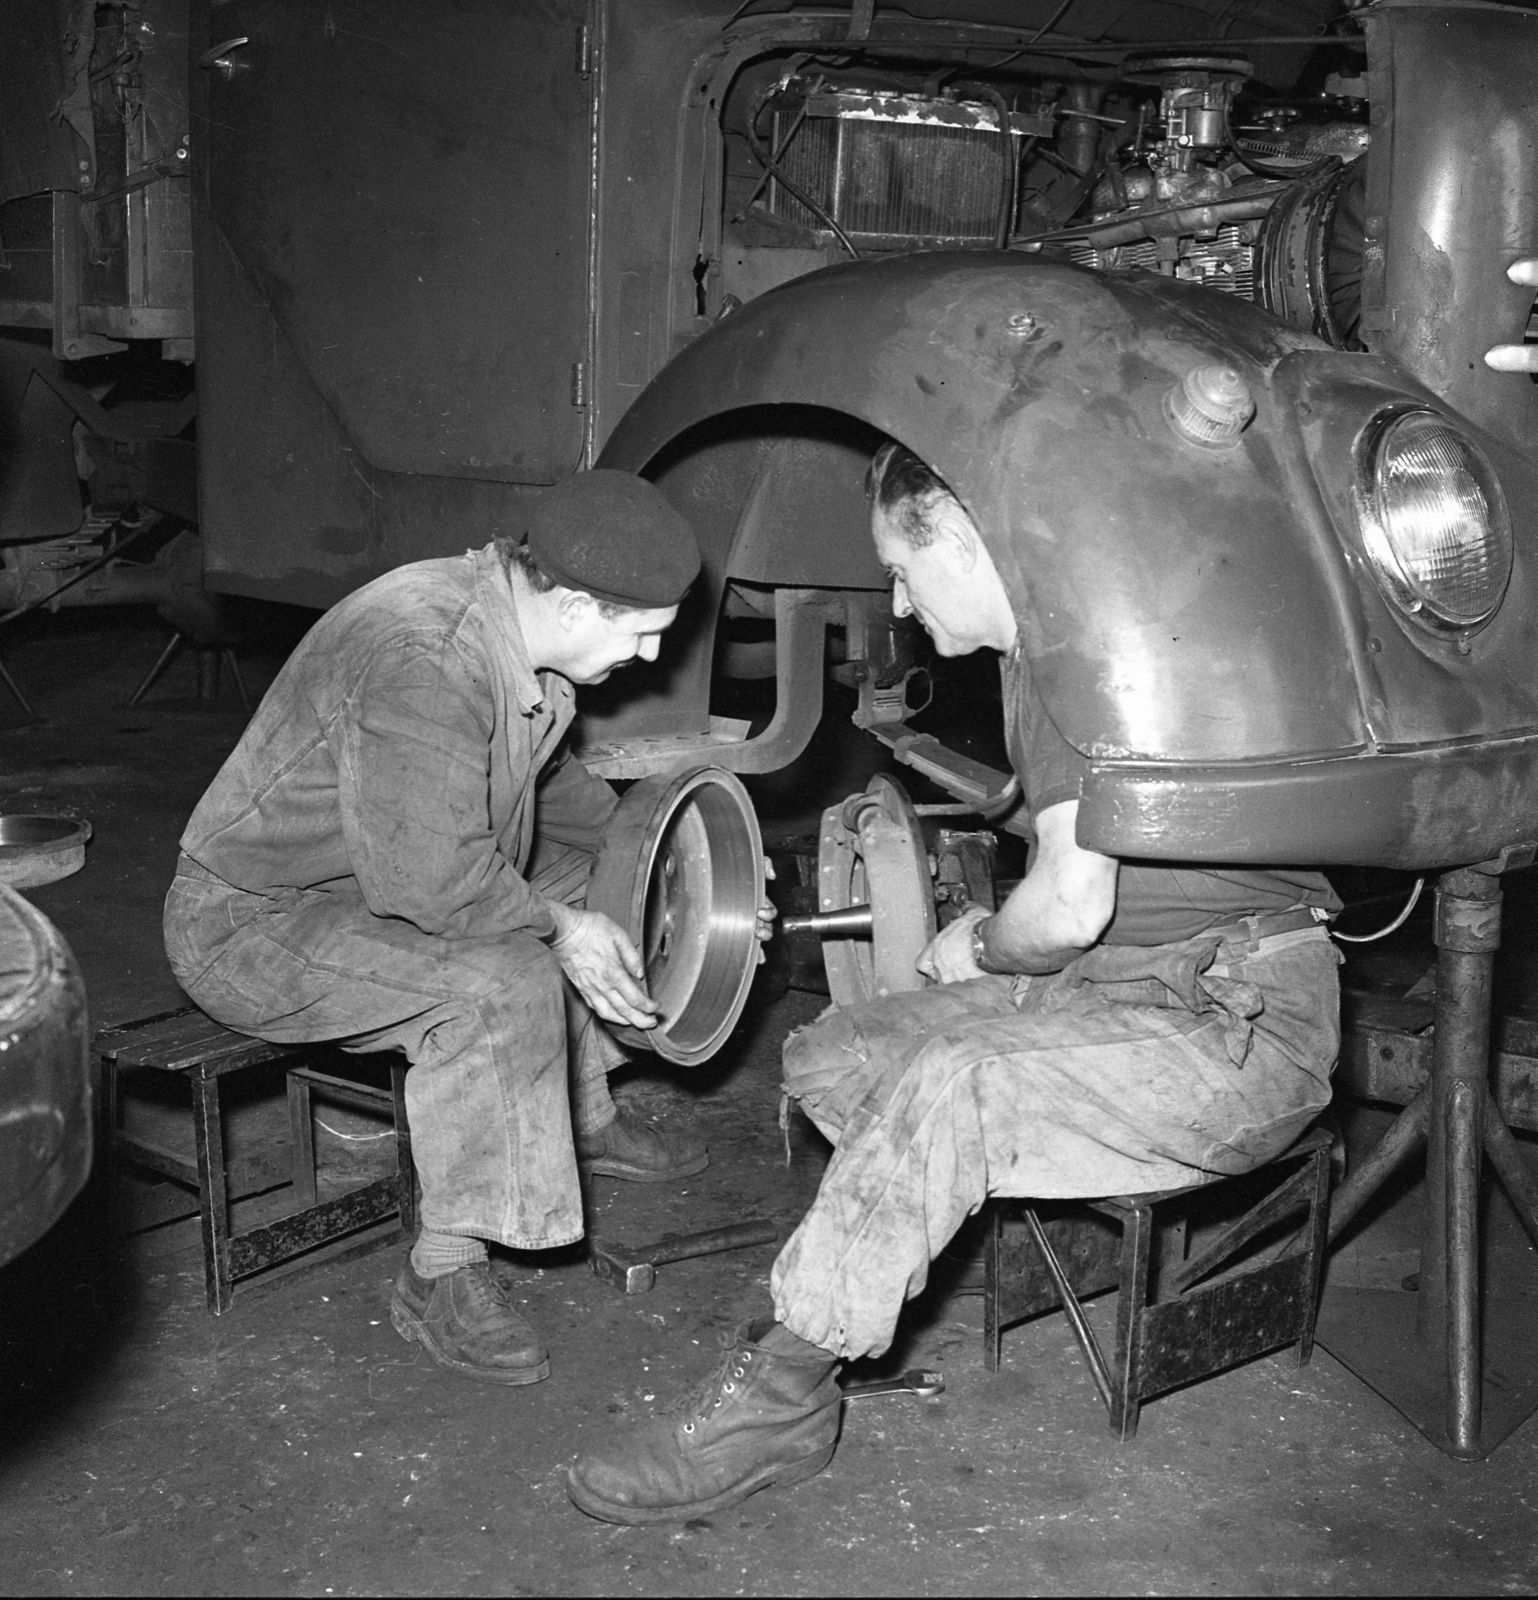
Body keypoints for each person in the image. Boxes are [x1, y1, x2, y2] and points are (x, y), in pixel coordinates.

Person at [567, 440, 1343, 1524]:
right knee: (830, 1051)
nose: (894, 595)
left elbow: (1068, 906)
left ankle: (782, 1398)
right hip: (1117, 990)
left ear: (970, 537)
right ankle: (904, 1251)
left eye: (900, 564)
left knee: (955, 1080)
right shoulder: (1041, 660)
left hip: (1235, 1024)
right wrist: (909, 747)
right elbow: (1055, 813)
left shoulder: (1085, 658)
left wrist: (973, 945)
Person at [165, 469, 715, 1386]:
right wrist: (562, 929)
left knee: (615, 891)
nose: (652, 658)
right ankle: (442, 1272)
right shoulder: (428, 652)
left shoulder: (517, 633)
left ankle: (579, 1117)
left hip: (375, 883)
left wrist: (688, 871)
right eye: (642, 634)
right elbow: (434, 885)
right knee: (506, 979)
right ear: (576, 604)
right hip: (254, 924)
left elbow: (559, 804)